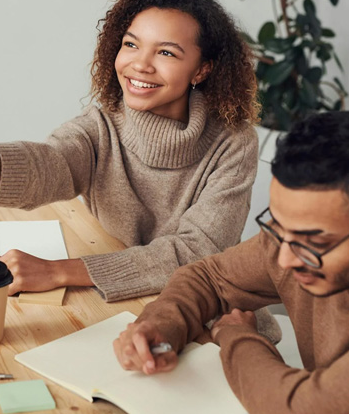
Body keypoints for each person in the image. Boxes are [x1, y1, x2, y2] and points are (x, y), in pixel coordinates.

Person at [0, 0, 260, 301]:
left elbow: (197, 251)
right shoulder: (103, 122)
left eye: (166, 53)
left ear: (201, 70)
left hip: (200, 307)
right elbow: (51, 163)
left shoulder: (233, 143)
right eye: (131, 44)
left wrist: (61, 272)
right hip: (114, 299)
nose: (140, 64)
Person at [113, 111, 349, 413]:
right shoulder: (288, 244)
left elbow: (296, 407)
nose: (285, 260)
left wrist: (235, 334)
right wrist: (162, 325)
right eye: (278, 226)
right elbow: (209, 277)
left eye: (314, 242)